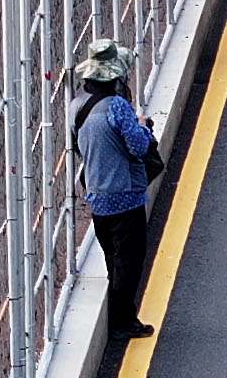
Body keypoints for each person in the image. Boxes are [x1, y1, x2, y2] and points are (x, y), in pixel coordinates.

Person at [65, 40, 164, 335]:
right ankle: (123, 320)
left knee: (113, 258)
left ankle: (118, 314)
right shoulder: (118, 107)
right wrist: (145, 126)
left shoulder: (76, 106)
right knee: (130, 261)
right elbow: (138, 146)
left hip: (96, 192)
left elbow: (77, 145)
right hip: (125, 194)